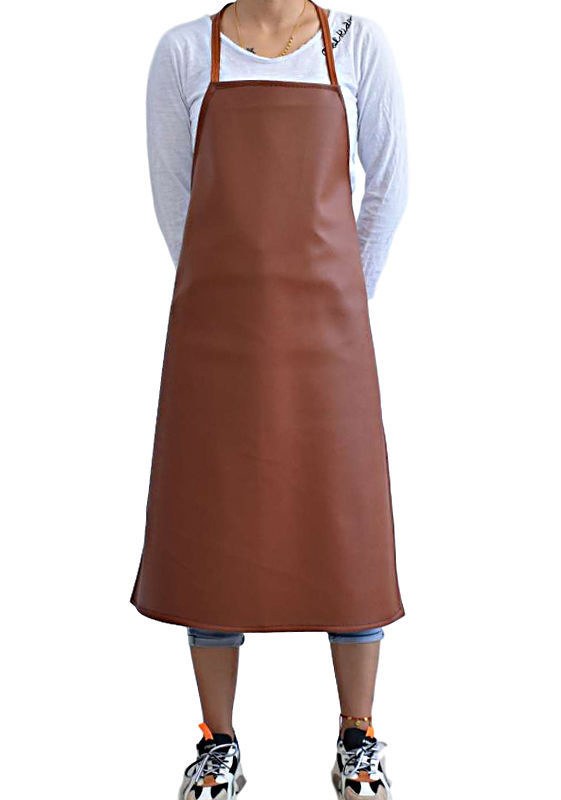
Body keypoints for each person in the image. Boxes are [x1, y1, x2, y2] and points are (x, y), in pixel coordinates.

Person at [130, 2, 408, 798]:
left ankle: (358, 736)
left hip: (332, 331)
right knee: (214, 523)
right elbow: (176, 198)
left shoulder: (357, 45)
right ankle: (217, 742)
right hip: (219, 331)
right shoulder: (185, 52)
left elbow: (390, 186)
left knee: (345, 520)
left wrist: (343, 297)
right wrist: (227, 294)